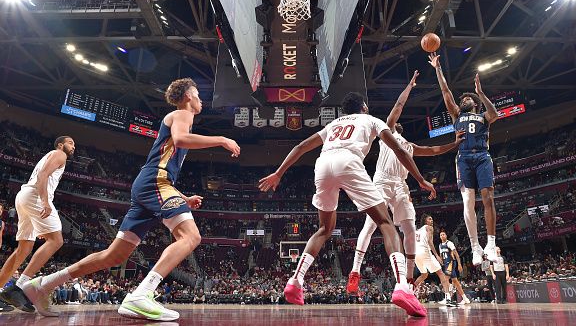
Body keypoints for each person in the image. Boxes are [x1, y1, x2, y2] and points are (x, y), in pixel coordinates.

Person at [19, 78, 240, 321]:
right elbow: (179, 141)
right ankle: (142, 295)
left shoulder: (178, 119)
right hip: (156, 182)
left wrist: (182, 198)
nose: (200, 100)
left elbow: (163, 161)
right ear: (187, 96)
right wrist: (221, 139)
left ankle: (42, 285)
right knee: (191, 236)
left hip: (151, 184)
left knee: (114, 255)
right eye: (197, 95)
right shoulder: (182, 115)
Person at [259, 92, 435, 317]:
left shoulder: (334, 124)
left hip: (323, 164)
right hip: (348, 161)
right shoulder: (371, 119)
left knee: (324, 229)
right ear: (363, 106)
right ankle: (402, 287)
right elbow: (399, 150)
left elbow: (301, 146)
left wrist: (278, 173)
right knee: (385, 222)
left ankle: (295, 282)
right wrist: (420, 180)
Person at [347, 71, 465, 293]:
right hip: (381, 182)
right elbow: (398, 106)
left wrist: (454, 144)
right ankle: (355, 271)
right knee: (370, 225)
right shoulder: (387, 133)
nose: (397, 122)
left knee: (410, 228)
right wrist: (410, 85)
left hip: (401, 186)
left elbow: (433, 150)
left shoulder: (409, 146)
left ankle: (409, 278)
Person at [429, 52, 499, 265]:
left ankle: (490, 243)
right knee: (468, 201)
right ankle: (475, 246)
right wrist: (438, 69)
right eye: (464, 98)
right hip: (464, 158)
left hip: (483, 157)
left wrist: (481, 93)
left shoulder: (483, 116)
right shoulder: (457, 115)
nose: (466, 99)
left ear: (476, 103)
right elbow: (446, 92)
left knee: (487, 197)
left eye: (470, 98)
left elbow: (494, 113)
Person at [0, 136, 76, 312]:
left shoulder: (51, 155)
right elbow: (43, 175)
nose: (73, 147)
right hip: (35, 196)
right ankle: (18, 287)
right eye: (70, 143)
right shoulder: (59, 154)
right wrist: (45, 202)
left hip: (24, 196)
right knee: (56, 241)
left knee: (23, 250)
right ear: (60, 144)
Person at [413, 214, 453, 306]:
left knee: (424, 275)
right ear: (425, 221)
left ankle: (410, 293)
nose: (432, 220)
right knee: (441, 273)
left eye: (432, 219)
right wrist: (437, 256)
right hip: (425, 251)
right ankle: (448, 298)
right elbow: (430, 242)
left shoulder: (417, 231)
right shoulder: (429, 227)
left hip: (416, 254)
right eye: (430, 219)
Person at [439, 230, 471, 305]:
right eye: (441, 235)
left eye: (443, 234)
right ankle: (465, 298)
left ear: (446, 235)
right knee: (455, 282)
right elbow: (441, 256)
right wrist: (441, 263)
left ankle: (447, 298)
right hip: (446, 264)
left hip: (451, 263)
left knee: (445, 279)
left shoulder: (449, 243)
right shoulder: (440, 245)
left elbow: (456, 254)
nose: (442, 236)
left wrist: (459, 264)